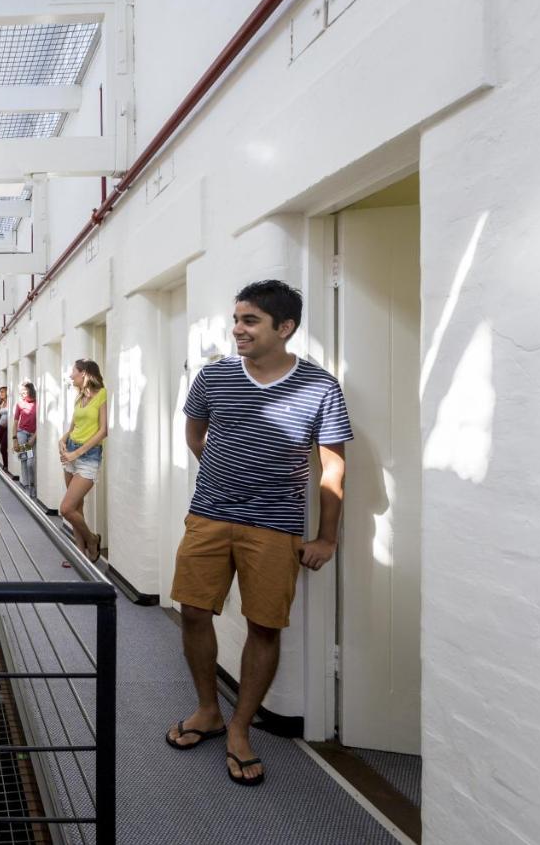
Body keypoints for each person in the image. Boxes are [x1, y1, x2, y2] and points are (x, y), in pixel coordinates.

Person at [164, 280, 351, 788]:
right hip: (209, 513)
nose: (237, 329)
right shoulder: (214, 376)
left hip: (275, 525)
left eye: (250, 321)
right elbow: (195, 433)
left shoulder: (320, 387)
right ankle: (208, 710)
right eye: (237, 319)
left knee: (265, 625)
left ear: (284, 328)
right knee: (194, 611)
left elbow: (332, 468)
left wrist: (326, 537)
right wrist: (226, 474)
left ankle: (240, 729)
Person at [58, 359, 107, 567]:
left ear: (85, 374)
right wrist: (63, 438)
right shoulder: (79, 397)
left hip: (87, 456)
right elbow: (74, 425)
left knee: (66, 509)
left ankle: (92, 540)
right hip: (70, 451)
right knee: (77, 506)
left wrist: (76, 453)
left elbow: (103, 431)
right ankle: (80, 555)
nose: (71, 376)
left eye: (74, 372)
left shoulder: (102, 394)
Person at [13, 382, 37, 500]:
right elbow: (15, 422)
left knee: (30, 463)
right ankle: (26, 487)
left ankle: (32, 486)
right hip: (22, 434)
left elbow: (40, 423)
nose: (22, 394)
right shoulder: (20, 404)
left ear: (30, 391)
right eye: (20, 392)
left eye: (24, 392)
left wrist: (34, 437)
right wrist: (14, 440)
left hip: (32, 435)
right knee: (24, 460)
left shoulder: (37, 403)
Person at [0, 386, 10, 470]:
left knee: (3, 447)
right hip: (1, 427)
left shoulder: (10, 402)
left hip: (7, 428)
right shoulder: (0, 403)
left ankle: (7, 465)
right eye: (0, 392)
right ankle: (5, 465)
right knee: (2, 448)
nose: (1, 393)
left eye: (3, 392)